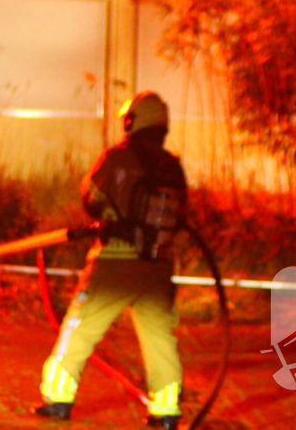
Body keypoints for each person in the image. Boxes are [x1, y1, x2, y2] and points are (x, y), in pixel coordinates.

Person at [34, 91, 188, 429]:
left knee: (79, 330)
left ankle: (57, 400)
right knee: (160, 340)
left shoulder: (116, 158)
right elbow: (180, 217)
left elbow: (91, 198)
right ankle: (165, 411)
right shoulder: (172, 166)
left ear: (131, 121)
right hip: (157, 266)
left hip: (114, 263)